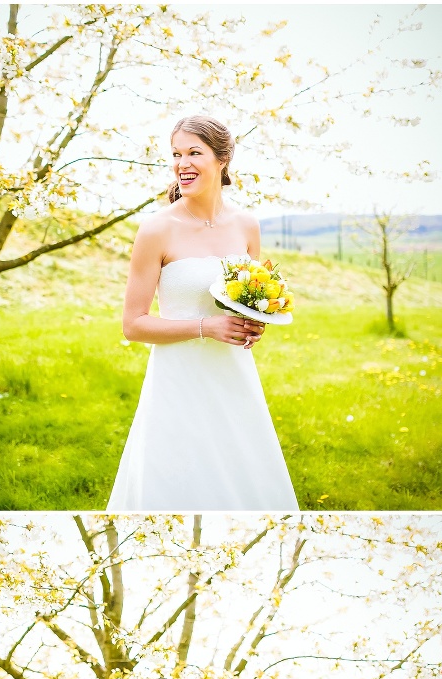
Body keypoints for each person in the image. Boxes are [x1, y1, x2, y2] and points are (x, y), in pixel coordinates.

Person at [107, 114, 299, 511]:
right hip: (177, 376)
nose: (182, 164)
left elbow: (249, 298)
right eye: (177, 154)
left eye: (195, 152)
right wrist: (206, 326)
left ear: (222, 159)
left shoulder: (247, 226)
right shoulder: (157, 229)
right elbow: (133, 325)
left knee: (240, 468)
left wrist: (254, 324)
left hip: (232, 372)